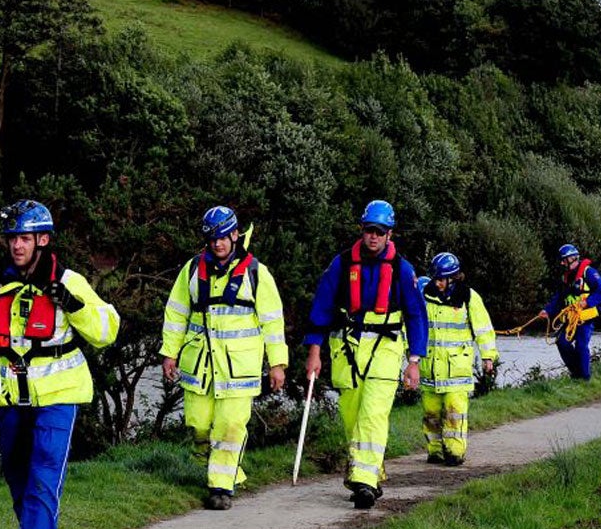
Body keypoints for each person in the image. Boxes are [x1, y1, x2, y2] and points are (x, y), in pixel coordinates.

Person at [0, 199, 119, 529]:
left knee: (43, 477)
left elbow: (107, 330)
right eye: (12, 237)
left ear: (43, 240)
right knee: (18, 480)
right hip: (10, 398)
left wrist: (74, 305)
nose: (17, 245)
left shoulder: (69, 281)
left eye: (25, 238)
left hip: (59, 396)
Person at [159, 206, 288, 511]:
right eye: (211, 239)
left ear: (234, 234)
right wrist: (169, 353)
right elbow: (176, 313)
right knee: (198, 424)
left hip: (238, 371)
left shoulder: (257, 272)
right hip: (200, 366)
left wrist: (277, 364)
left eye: (221, 237)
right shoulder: (191, 270)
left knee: (230, 426)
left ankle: (221, 486)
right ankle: (219, 468)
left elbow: (272, 320)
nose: (217, 244)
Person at [304, 200, 428, 509]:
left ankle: (364, 482)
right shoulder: (342, 264)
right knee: (352, 415)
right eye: (369, 230)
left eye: (380, 231)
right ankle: (370, 469)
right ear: (362, 230)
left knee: (373, 414)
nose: (373, 236)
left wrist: (414, 361)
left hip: (386, 347)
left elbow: (416, 315)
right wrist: (314, 352)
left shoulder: (402, 269)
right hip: (348, 347)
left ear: (390, 234)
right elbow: (321, 308)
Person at [420, 252, 499, 466]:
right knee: (431, 414)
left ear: (453, 278)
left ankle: (455, 452)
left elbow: (483, 329)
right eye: (435, 279)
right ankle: (435, 451)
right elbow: (413, 328)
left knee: (455, 412)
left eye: (440, 279)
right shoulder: (425, 296)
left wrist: (488, 357)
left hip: (457, 368)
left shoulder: (468, 297)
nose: (437, 283)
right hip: (429, 368)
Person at [539, 243, 601, 381]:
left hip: (585, 318)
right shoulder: (565, 277)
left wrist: (587, 302)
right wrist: (547, 311)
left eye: (564, 260)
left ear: (572, 258)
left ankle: (585, 378)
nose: (562, 263)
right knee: (561, 341)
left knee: (581, 346)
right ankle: (577, 374)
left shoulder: (589, 272)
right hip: (570, 319)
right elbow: (558, 298)